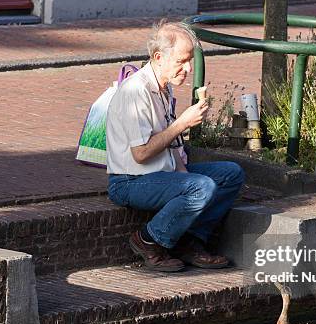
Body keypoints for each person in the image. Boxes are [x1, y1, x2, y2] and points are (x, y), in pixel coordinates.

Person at [105, 20, 245, 272]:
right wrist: (182, 124)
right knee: (202, 186)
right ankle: (148, 240)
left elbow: (170, 145)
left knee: (231, 174)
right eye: (182, 61)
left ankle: (189, 241)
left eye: (190, 60)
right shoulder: (136, 92)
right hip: (130, 180)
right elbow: (141, 153)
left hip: (161, 173)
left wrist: (184, 178)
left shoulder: (164, 88)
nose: (189, 68)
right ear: (159, 57)